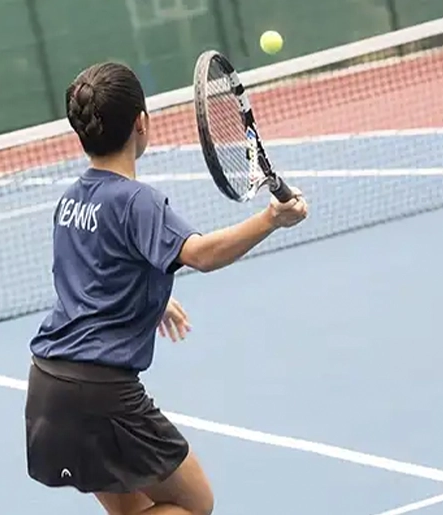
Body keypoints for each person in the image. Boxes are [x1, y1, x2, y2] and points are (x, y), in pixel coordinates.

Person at [24, 61, 308, 515]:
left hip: (48, 385)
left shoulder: (71, 200)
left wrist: (152, 300)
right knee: (194, 504)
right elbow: (201, 254)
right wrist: (272, 218)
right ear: (142, 122)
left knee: (132, 511)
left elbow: (83, 278)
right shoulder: (138, 200)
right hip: (102, 392)